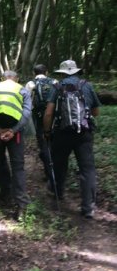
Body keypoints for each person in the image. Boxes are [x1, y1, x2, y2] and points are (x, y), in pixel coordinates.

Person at [43, 60, 101, 218]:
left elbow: (48, 113)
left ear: (62, 73)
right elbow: (95, 112)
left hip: (62, 133)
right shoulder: (86, 85)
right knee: (87, 169)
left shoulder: (57, 87)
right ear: (76, 71)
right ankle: (88, 207)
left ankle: (58, 194)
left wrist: (47, 132)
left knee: (59, 163)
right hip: (84, 133)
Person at [0, 70, 32, 220]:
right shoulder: (22, 90)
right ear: (16, 79)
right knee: (18, 166)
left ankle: (4, 193)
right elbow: (27, 113)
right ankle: (21, 206)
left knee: (0, 159)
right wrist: (13, 130)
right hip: (15, 132)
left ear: (2, 78)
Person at [25, 64, 57, 182]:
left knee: (43, 144)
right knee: (54, 143)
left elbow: (26, 100)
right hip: (54, 116)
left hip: (39, 117)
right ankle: (56, 171)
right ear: (46, 72)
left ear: (34, 73)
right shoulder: (54, 81)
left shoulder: (30, 84)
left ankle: (49, 174)